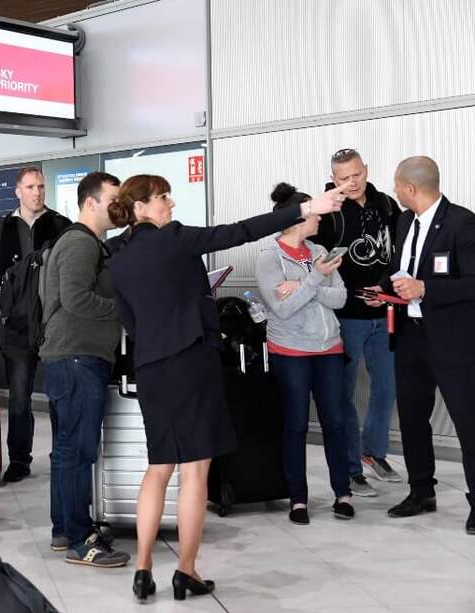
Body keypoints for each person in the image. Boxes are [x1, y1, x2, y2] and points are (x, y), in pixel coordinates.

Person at [108, 175, 348, 601]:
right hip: (191, 362)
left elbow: (129, 321)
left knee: (159, 467)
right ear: (141, 207)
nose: (171, 204)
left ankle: (143, 568)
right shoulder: (176, 239)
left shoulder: (119, 259)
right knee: (196, 469)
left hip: (151, 368)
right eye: (163, 197)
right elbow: (240, 231)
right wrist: (305, 209)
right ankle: (186, 569)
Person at [364, 156, 475, 534]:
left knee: (468, 422)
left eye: (396, 185)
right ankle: (421, 491)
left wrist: (426, 289)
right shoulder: (403, 221)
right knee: (412, 418)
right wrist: (381, 290)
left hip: (453, 341)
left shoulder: (463, 223)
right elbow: (399, 267)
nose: (394, 191)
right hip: (410, 337)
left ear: (410, 188)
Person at [39, 171, 131, 568]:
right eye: (113, 198)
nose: (119, 205)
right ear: (90, 202)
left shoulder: (89, 244)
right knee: (77, 451)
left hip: (72, 357)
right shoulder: (79, 243)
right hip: (76, 357)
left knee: (68, 451)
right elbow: (76, 299)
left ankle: (67, 529)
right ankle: (80, 540)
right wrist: (125, 311)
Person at [256, 183, 352, 526]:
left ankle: (343, 492)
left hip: (329, 347)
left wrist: (303, 286)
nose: (319, 221)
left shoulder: (320, 249)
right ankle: (298, 499)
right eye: (315, 215)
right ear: (298, 219)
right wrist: (315, 281)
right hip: (292, 351)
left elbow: (340, 298)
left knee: (336, 422)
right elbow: (282, 310)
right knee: (295, 425)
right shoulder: (269, 258)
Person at [316, 148, 403, 497]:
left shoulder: (385, 204)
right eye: (343, 178)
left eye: (356, 174)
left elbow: (399, 251)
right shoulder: (328, 211)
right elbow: (316, 264)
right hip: (345, 317)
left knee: (387, 387)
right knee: (344, 394)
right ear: (333, 178)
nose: (351, 183)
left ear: (365, 169)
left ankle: (373, 453)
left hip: (384, 312)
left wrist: (384, 288)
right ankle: (352, 468)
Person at [0, 167, 71, 483]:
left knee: (59, 394)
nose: (37, 192)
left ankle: (63, 454)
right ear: (17, 191)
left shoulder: (60, 225)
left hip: (52, 323)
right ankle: (19, 460)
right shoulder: (1, 228)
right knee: (18, 398)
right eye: (31, 187)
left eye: (41, 186)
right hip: (16, 326)